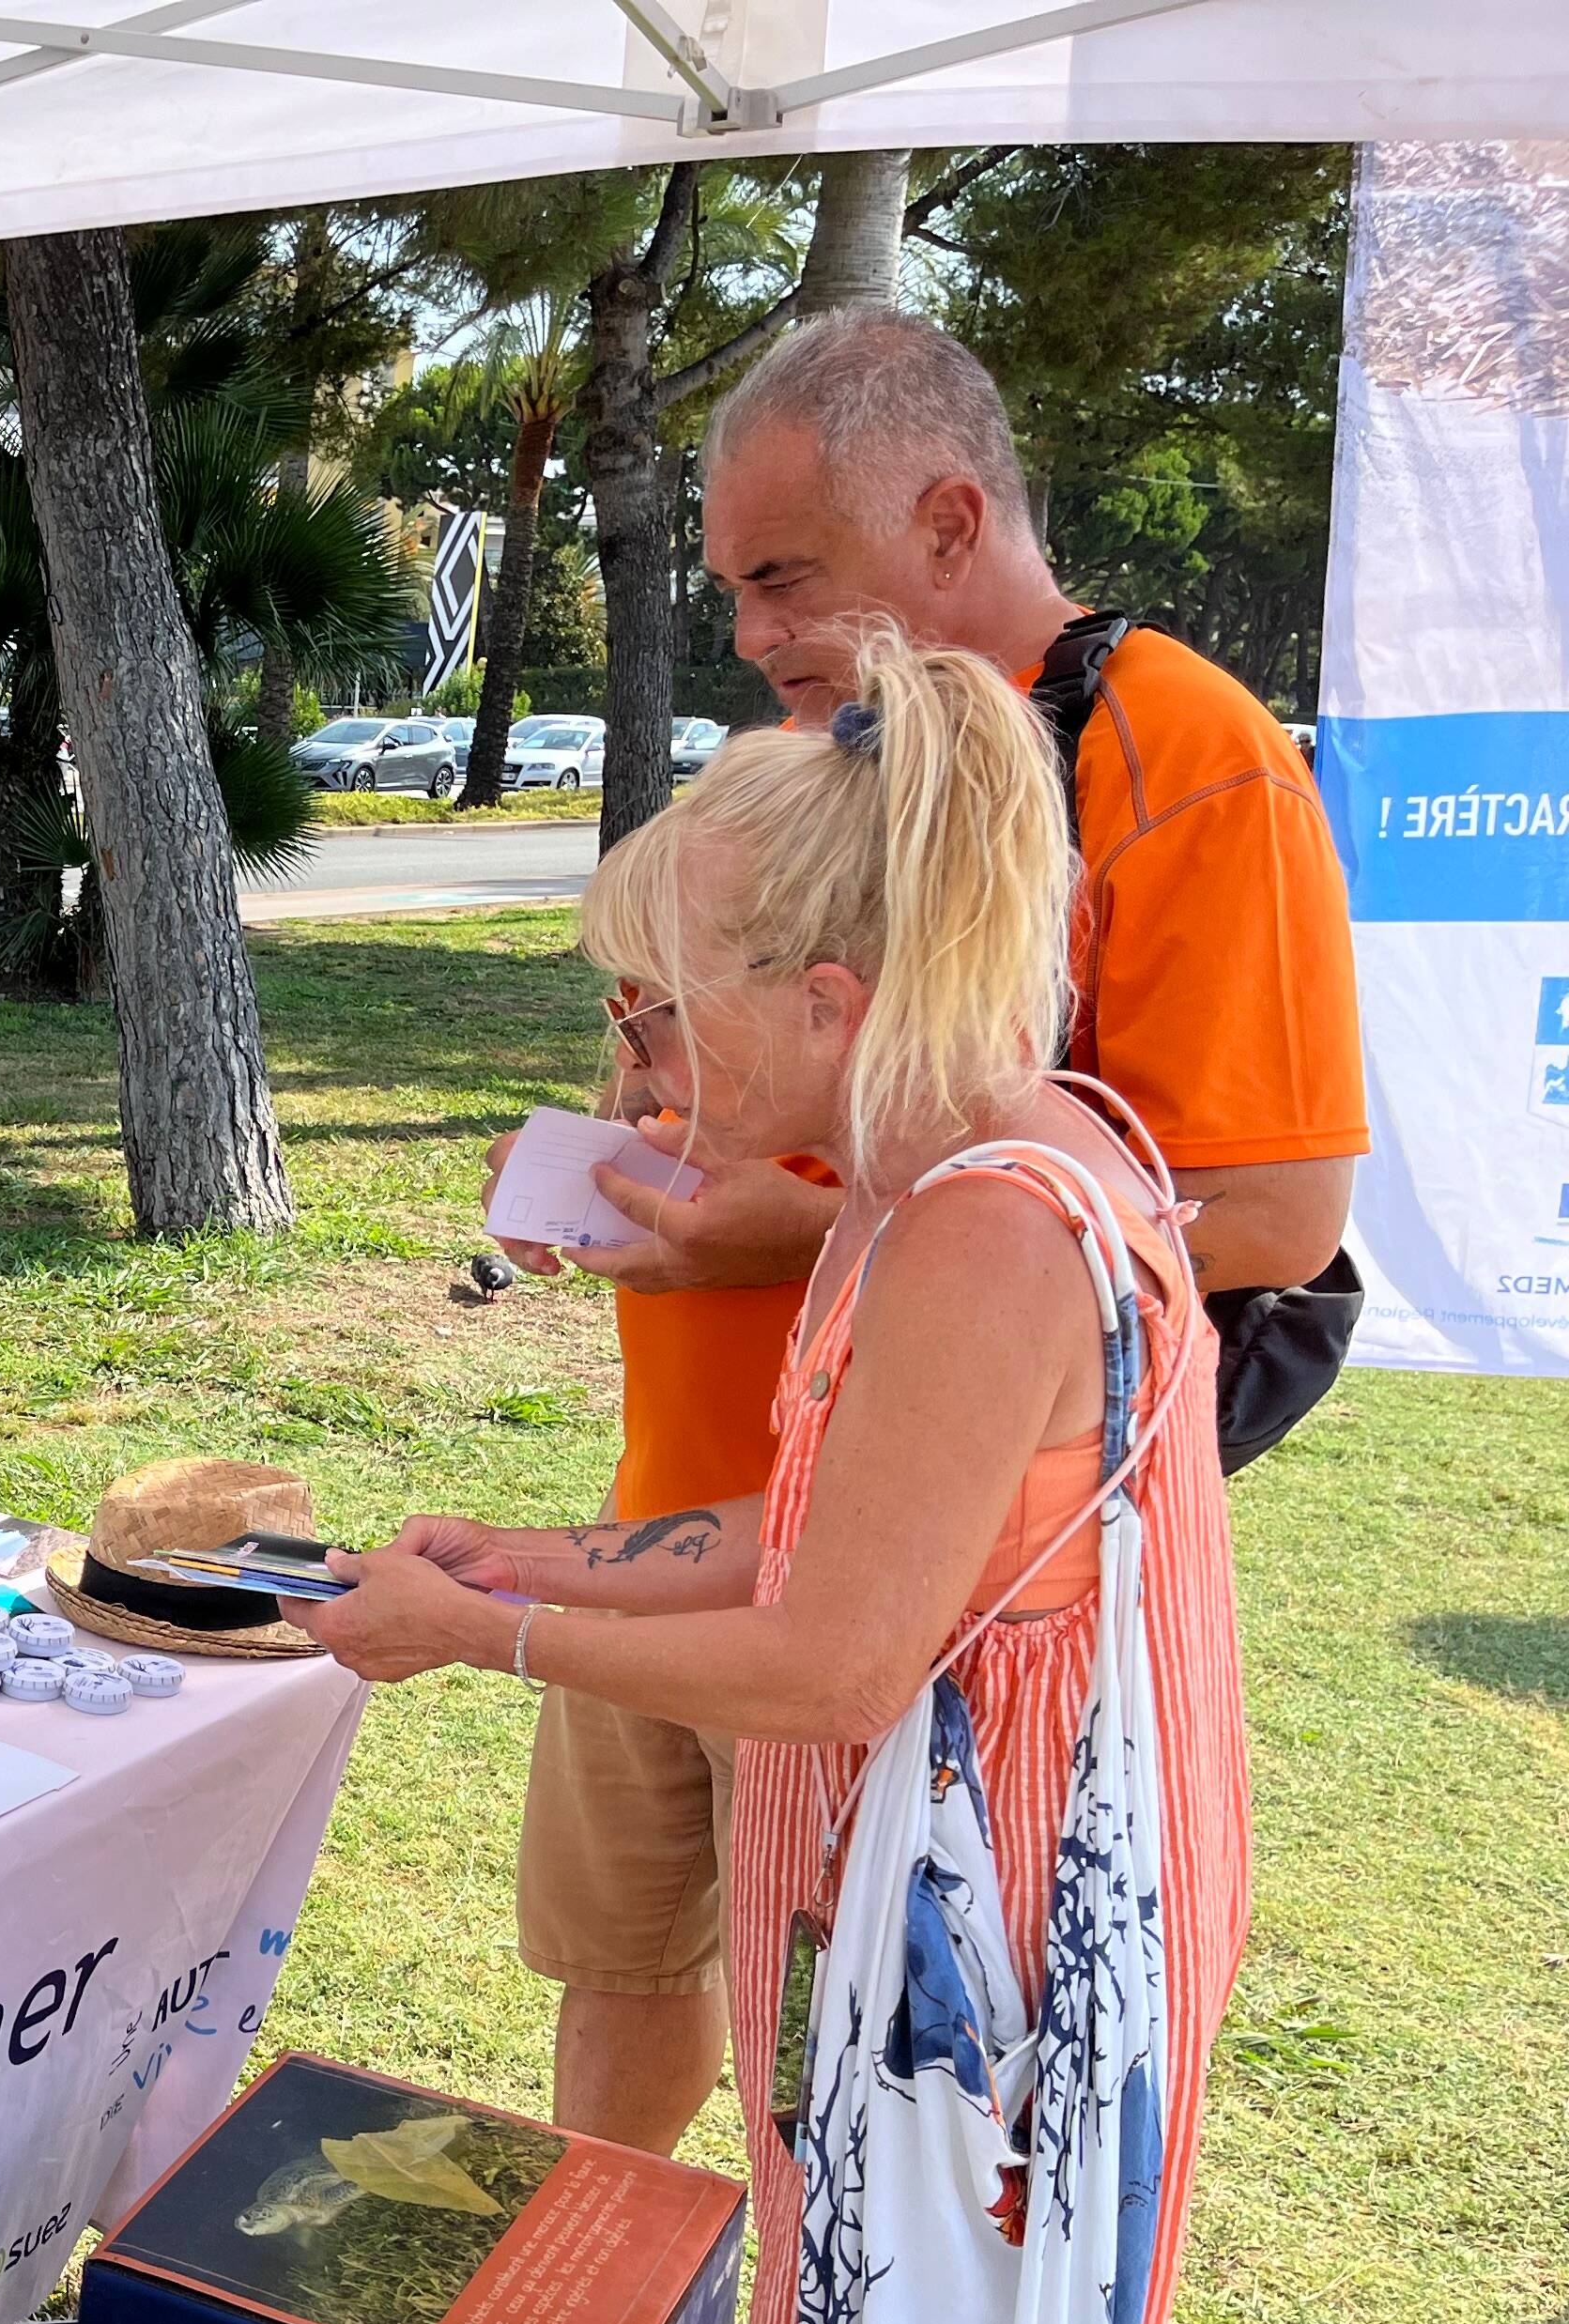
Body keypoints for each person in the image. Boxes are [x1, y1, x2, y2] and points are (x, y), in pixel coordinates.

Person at [307, 628, 1246, 2324]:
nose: (637, 1068)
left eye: (662, 1012)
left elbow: (833, 1654)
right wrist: (543, 1552)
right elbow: (830, 1523)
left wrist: (490, 1638)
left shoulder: (984, 1223)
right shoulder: (931, 1175)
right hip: (932, 1944)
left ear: (827, 999)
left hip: (985, 1978)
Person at [487, 307, 1359, 2155]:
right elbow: (756, 1079)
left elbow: (1271, 1206)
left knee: (859, 2102)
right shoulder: (819, 758)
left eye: (783, 576)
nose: (749, 635)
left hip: (903, 1588)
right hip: (692, 1497)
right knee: (635, 1971)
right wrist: (640, 1142)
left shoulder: (1178, 749)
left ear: (949, 521)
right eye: (732, 586)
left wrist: (772, 1237)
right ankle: (597, 2309)